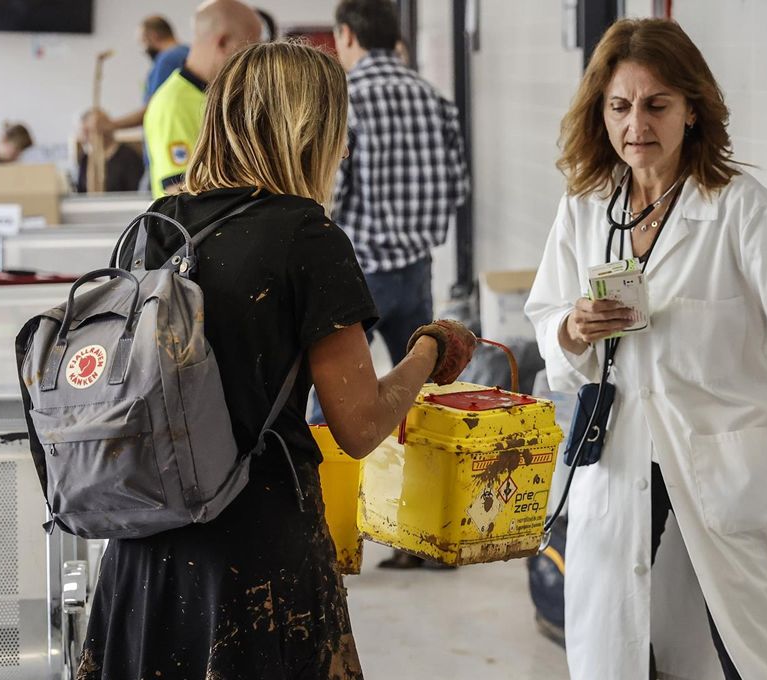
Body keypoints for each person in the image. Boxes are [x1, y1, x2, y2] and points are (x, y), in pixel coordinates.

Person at [524, 18, 767, 679]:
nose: (636, 125)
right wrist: (572, 328)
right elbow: (547, 321)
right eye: (619, 106)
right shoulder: (587, 208)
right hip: (621, 468)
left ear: (692, 108)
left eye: (656, 105)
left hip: (719, 471)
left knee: (755, 655)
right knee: (623, 651)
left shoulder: (744, 211)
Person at [75, 41, 476, 680]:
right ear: (310, 131)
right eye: (339, 129)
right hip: (254, 548)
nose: (344, 148)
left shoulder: (158, 224)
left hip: (143, 538)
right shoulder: (307, 237)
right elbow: (361, 424)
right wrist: (430, 350)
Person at [321, 0, 469, 570]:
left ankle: (331, 538)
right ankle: (427, 538)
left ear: (348, 34)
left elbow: (335, 190)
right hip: (420, 265)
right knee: (422, 400)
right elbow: (458, 185)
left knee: (330, 408)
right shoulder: (433, 96)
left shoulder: (348, 98)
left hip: (359, 270)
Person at [143, 0, 262, 198]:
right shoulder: (173, 104)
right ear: (222, 42)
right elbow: (182, 193)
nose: (251, 63)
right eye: (248, 50)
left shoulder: (216, 96)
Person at [98, 16, 190, 132]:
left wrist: (111, 125)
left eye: (142, 42)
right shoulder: (187, 53)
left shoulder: (167, 60)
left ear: (153, 36)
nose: (143, 50)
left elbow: (153, 108)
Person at [73, 109, 142, 193]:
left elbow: (135, 192)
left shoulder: (129, 157)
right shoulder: (85, 159)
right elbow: (81, 192)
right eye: (85, 131)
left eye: (91, 131)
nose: (87, 137)